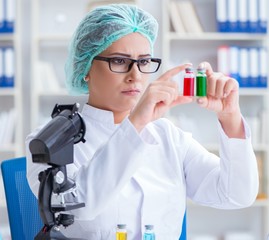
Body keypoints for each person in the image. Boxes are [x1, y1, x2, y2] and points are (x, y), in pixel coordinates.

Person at [26, 4, 259, 240]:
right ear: (86, 67)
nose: (135, 76)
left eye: (144, 62)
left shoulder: (168, 136)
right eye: (119, 61)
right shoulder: (49, 142)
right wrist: (135, 124)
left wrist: (230, 117)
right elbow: (78, 205)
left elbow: (236, 195)